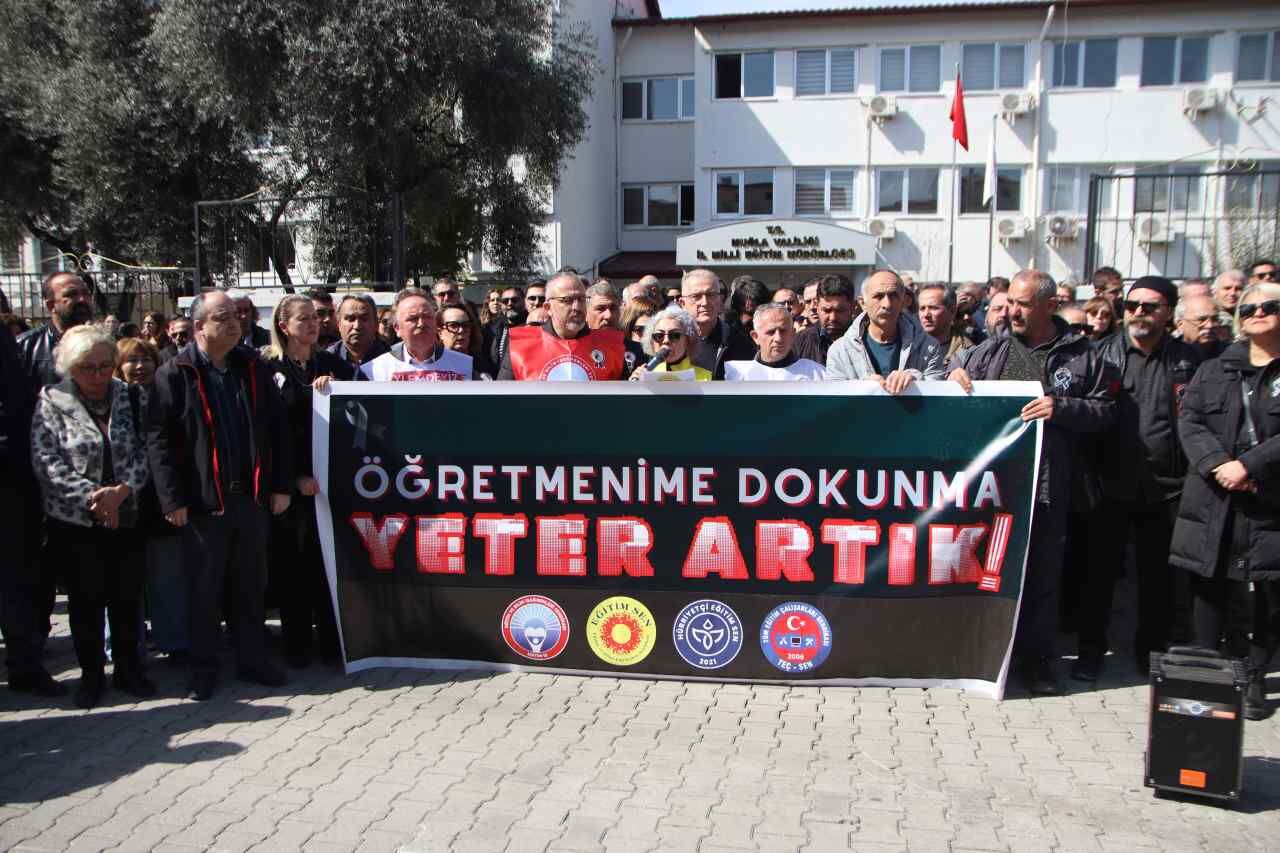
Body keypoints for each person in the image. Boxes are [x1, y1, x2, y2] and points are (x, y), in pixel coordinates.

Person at [949, 270, 1117, 695]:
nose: (1012, 311)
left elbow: (1107, 411)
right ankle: (985, 656)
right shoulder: (991, 350)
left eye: (1023, 304)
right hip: (996, 487)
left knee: (1042, 578)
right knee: (990, 573)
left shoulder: (1083, 356)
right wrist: (953, 376)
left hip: (1048, 487)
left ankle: (1040, 664)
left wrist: (1062, 408)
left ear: (1050, 305)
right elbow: (954, 376)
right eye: (1009, 302)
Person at [147, 290, 293, 701]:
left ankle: (252, 660)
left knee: (250, 586)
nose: (234, 323)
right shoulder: (175, 372)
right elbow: (159, 441)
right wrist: (171, 500)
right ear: (198, 326)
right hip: (203, 503)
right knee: (204, 591)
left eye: (236, 316)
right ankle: (204, 669)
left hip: (252, 499)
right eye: (222, 317)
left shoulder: (252, 367)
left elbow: (277, 429)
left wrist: (280, 485)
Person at [1078, 276, 1201, 680]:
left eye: (1150, 307)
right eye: (1132, 306)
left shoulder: (1189, 361)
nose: (1139, 314)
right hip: (1109, 484)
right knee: (1097, 576)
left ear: (1169, 313)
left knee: (1158, 579)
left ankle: (1150, 651)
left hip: (1167, 488)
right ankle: (1090, 651)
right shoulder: (1101, 354)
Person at [1171, 281, 1280, 720]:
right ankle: (1209, 676)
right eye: (1249, 308)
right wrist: (1219, 465)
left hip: (1269, 499)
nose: (1257, 313)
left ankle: (1253, 674)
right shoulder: (1215, 369)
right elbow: (1190, 420)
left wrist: (1249, 466)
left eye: (1269, 306)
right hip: (1214, 498)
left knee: (1269, 592)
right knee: (1208, 588)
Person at [30, 325, 153, 708]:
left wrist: (121, 493)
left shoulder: (131, 396)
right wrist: (94, 498)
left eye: (104, 366)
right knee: (86, 602)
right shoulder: (52, 400)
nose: (98, 375)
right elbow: (46, 461)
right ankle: (92, 676)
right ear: (70, 368)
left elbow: (147, 449)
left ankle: (129, 669)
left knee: (126, 598)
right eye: (88, 368)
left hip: (126, 514)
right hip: (77, 522)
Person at [263, 295, 355, 667]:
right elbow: (268, 434)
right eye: (303, 319)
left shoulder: (333, 364)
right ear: (283, 326)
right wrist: (290, 479)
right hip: (290, 488)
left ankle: (333, 643)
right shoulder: (267, 369)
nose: (313, 324)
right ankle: (297, 645)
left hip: (331, 485)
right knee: (292, 567)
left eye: (316, 317)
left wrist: (337, 392)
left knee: (326, 565)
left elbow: (359, 412)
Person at [0, 322, 65, 696]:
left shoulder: (5, 343)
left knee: (18, 580)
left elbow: (18, 403)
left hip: (11, 480)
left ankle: (25, 665)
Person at [115, 337, 188, 664]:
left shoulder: (166, 394)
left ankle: (174, 641)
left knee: (167, 577)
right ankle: (125, 647)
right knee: (124, 583)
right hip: (123, 503)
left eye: (146, 359)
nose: (140, 366)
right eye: (131, 360)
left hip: (160, 503)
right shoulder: (112, 400)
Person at [825, 270, 945, 393]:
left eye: (893, 296)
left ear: (904, 301)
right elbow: (835, 398)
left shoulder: (928, 347)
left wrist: (915, 381)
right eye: (878, 296)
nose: (887, 304)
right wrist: (861, 388)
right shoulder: (840, 351)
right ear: (862, 303)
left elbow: (938, 394)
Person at [498, 273, 626, 381]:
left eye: (581, 299)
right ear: (548, 307)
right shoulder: (521, 346)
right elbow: (503, 397)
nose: (576, 307)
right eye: (567, 300)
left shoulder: (611, 345)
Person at [363, 288, 474, 381]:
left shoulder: (464, 365)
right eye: (413, 318)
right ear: (397, 328)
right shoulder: (375, 371)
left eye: (427, 316)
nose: (421, 324)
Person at [17, 271, 95, 390]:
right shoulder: (24, 346)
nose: (82, 299)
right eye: (71, 294)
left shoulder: (104, 344)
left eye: (86, 293)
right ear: (51, 305)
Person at [678, 269, 756, 379]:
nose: (704, 302)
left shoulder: (739, 343)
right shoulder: (670, 340)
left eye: (711, 295)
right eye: (696, 296)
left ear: (720, 300)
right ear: (682, 303)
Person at [725, 304, 825, 381]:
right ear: (755, 337)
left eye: (783, 331)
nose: (778, 338)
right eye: (771, 332)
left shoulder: (817, 374)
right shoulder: (735, 374)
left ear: (793, 334)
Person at [630, 306, 712, 381]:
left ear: (688, 340)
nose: (666, 340)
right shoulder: (645, 376)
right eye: (659, 336)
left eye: (675, 335)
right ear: (652, 342)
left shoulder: (706, 378)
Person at [793, 275, 857, 367]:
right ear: (817, 306)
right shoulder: (800, 342)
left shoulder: (865, 340)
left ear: (853, 307)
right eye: (827, 310)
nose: (833, 318)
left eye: (840, 311)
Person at [586, 281, 644, 377]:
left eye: (613, 308)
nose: (608, 315)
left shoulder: (638, 351)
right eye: (600, 309)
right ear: (585, 314)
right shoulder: (576, 351)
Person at [916, 283, 973, 370]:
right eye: (922, 308)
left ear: (952, 311)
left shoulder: (968, 352)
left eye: (933, 308)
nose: (926, 314)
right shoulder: (907, 346)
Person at [329, 294, 389, 369]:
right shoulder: (326, 360)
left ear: (376, 324)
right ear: (338, 324)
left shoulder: (392, 359)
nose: (357, 326)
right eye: (350, 319)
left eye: (364, 319)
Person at [439, 301, 496, 378]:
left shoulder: (484, 367)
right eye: (453, 326)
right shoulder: (429, 367)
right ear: (440, 333)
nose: (461, 330)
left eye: (465, 325)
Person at [1175, 293, 1228, 359]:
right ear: (1180, 325)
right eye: (1201, 320)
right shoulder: (1168, 356)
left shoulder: (1231, 354)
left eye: (1214, 319)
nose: (1210, 325)